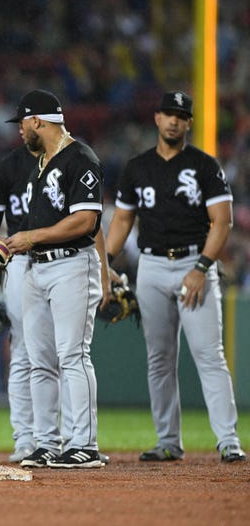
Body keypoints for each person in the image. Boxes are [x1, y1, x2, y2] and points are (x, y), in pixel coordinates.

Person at [104, 91, 246, 463]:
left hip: (191, 264)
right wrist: (103, 260)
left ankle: (228, 439)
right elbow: (121, 220)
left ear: (188, 123)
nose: (173, 121)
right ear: (156, 118)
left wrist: (201, 267)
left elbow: (223, 221)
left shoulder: (204, 165)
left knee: (209, 355)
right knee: (159, 358)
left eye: (180, 116)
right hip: (150, 266)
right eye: (168, 114)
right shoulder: (137, 167)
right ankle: (168, 440)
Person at [3, 89, 104, 469]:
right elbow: (38, 224)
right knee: (40, 359)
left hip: (71, 265)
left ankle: (85, 444)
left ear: (38, 122)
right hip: (36, 268)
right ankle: (47, 442)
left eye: (23, 123)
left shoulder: (81, 158)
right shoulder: (42, 162)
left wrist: (32, 236)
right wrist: (10, 245)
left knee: (73, 355)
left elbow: (85, 220)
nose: (19, 131)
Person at [0, 141, 39, 463]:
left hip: (64, 260)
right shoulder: (9, 168)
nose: (24, 128)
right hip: (20, 262)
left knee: (66, 354)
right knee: (23, 351)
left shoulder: (72, 161)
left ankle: (71, 438)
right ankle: (26, 438)